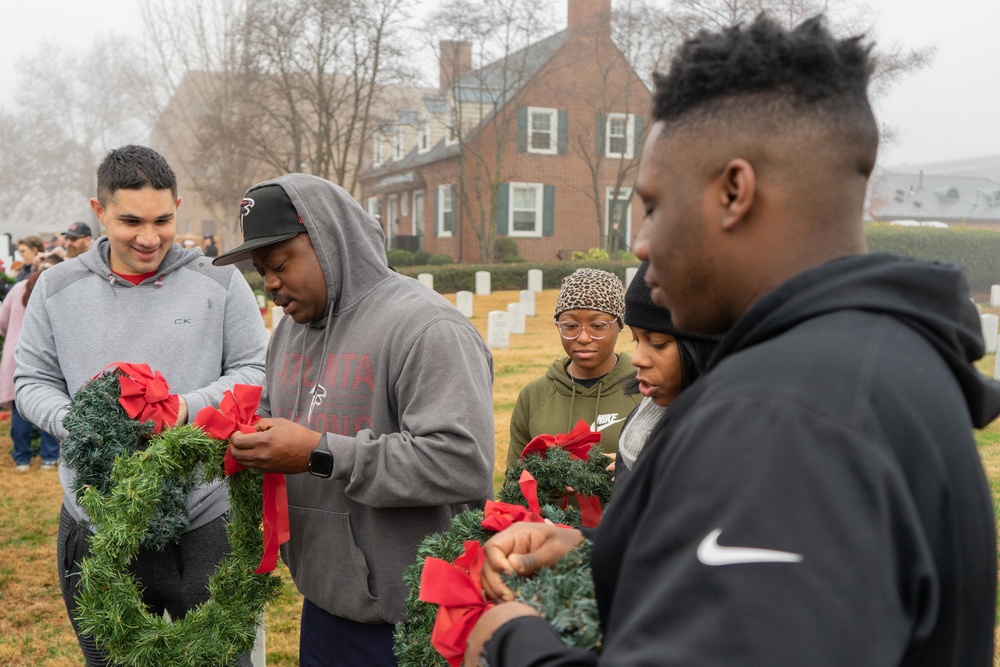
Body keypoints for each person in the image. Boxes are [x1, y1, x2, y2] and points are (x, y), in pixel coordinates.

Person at [466, 15, 1000, 666]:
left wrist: (511, 642)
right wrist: (609, 549)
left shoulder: (784, 416)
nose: (641, 242)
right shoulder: (883, 360)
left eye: (655, 204)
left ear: (734, 191)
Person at [214, 173, 495, 666]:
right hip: (325, 608)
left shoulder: (428, 328)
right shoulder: (288, 333)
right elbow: (278, 419)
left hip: (419, 623)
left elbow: (461, 461)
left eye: (280, 264)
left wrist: (321, 454)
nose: (271, 283)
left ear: (328, 238)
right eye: (262, 271)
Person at [14, 144, 267, 667]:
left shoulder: (219, 282)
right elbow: (32, 380)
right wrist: (80, 422)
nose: (149, 238)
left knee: (221, 660)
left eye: (163, 220)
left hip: (204, 518)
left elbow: (256, 371)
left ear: (177, 205)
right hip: (96, 522)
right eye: (130, 220)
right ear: (99, 211)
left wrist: (181, 409)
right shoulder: (56, 289)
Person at [505, 268, 640, 471]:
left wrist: (630, 469)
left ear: (619, 325)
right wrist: (547, 484)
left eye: (597, 325)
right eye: (570, 326)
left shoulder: (644, 390)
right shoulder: (534, 396)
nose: (583, 338)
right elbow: (514, 483)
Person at [613, 261, 720, 490]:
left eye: (658, 343)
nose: (636, 358)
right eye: (636, 340)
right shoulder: (638, 421)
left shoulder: (730, 441)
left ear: (702, 347)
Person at [1, 254, 63, 471]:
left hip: (15, 355)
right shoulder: (58, 290)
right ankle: (49, 457)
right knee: (50, 404)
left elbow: (2, 322)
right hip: (50, 356)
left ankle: (22, 458)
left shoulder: (18, 289)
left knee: (20, 409)